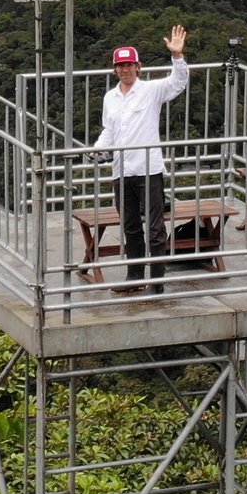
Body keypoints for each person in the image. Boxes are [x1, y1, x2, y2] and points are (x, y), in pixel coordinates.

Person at [95, 23, 191, 293]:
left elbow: (178, 83)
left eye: (129, 65)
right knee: (130, 226)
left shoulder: (150, 91)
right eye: (120, 66)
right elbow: (109, 131)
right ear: (115, 69)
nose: (125, 70)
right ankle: (134, 277)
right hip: (121, 170)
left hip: (148, 169)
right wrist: (97, 150)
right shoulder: (110, 98)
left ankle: (157, 281)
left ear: (138, 66)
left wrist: (177, 56)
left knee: (156, 227)